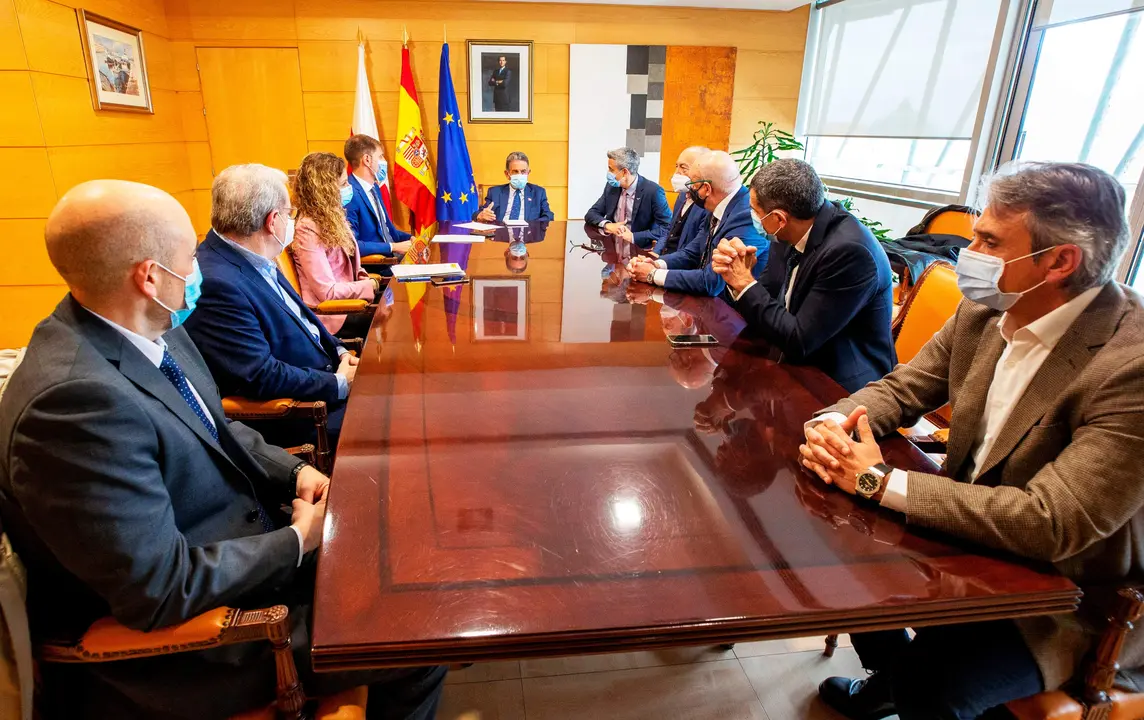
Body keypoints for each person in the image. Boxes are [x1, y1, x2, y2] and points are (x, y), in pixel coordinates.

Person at [0, 179, 445, 719]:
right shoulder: (74, 406)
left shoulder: (151, 327)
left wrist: (294, 475)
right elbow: (159, 588)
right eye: (190, 258)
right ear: (149, 276)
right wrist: (298, 540)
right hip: (203, 646)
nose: (200, 272)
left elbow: (219, 428)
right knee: (423, 636)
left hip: (250, 551)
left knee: (405, 555)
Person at [799, 162, 1144, 720]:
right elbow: (907, 385)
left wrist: (876, 480)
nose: (968, 249)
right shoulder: (991, 305)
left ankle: (906, 687)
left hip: (1073, 592)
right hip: (973, 531)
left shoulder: (1131, 364)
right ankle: (890, 681)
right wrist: (831, 427)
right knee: (837, 567)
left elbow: (1053, 524)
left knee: (938, 687)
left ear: (1059, 261)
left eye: (987, 240)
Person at [183, 164, 356, 449]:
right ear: (272, 220)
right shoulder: (216, 282)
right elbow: (260, 375)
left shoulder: (257, 255)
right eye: (290, 214)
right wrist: (337, 383)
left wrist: (339, 351)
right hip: (302, 415)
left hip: (325, 381)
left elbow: (303, 319)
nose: (292, 221)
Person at [712, 159, 896, 392]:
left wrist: (746, 283)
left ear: (779, 218)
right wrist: (735, 277)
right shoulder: (789, 232)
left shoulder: (849, 252)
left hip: (840, 383)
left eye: (755, 212)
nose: (752, 218)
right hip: (791, 359)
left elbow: (800, 340)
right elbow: (765, 301)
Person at [627, 150, 767, 297]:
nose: (690, 189)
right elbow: (692, 253)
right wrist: (655, 263)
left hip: (733, 311)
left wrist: (652, 275)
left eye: (692, 184)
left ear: (706, 188)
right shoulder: (718, 205)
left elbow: (712, 282)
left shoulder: (746, 215)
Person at [290, 151, 382, 339]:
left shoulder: (332, 218)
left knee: (399, 304)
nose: (349, 188)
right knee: (395, 322)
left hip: (351, 300)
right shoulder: (307, 228)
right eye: (343, 184)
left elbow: (350, 265)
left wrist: (365, 280)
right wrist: (367, 286)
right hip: (333, 315)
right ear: (326, 190)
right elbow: (327, 292)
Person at [584, 147, 671, 251]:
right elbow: (591, 214)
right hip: (613, 247)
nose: (608, 172)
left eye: (611, 169)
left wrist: (633, 236)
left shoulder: (653, 191)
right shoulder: (611, 187)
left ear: (625, 172)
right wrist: (608, 225)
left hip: (639, 251)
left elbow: (667, 227)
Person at [343, 134, 412, 259]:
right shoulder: (350, 195)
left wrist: (410, 238)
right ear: (367, 160)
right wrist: (393, 247)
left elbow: (386, 230)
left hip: (395, 258)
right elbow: (352, 245)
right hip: (380, 264)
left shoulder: (374, 188)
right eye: (380, 156)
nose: (384, 161)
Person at [474, 151, 555, 224]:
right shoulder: (495, 192)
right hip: (501, 235)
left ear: (528, 173)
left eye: (523, 171)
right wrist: (481, 215)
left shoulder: (538, 192)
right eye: (515, 171)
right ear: (507, 174)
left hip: (528, 234)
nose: (519, 175)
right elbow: (479, 213)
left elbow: (548, 215)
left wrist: (533, 226)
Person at [658, 146, 711, 255]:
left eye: (683, 167)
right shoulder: (682, 196)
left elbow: (695, 248)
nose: (677, 173)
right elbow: (670, 229)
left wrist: (661, 263)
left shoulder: (708, 204)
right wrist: (656, 253)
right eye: (677, 166)